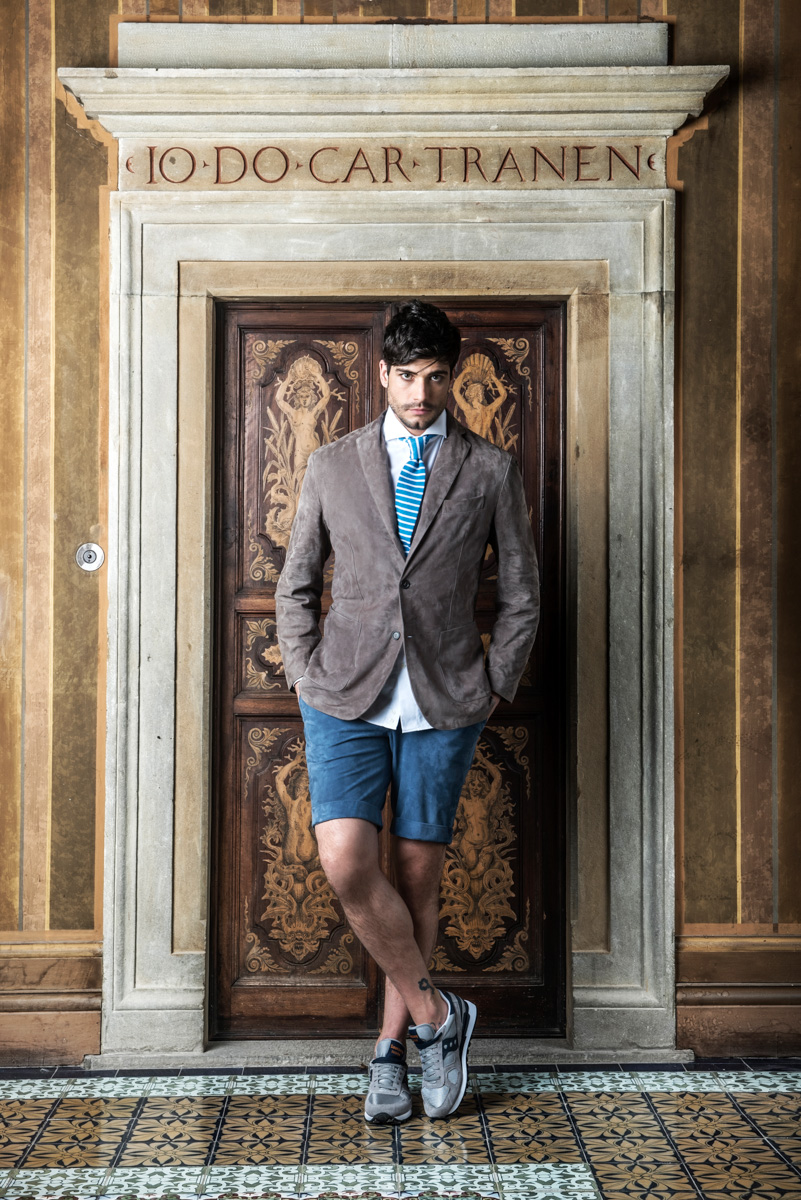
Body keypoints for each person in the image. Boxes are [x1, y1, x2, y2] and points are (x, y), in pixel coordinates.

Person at [275, 300, 539, 1124]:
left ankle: (390, 1055)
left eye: (435, 378)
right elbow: (295, 582)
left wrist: (493, 683)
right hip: (343, 695)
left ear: (450, 378)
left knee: (418, 877)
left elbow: (522, 592)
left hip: (444, 697)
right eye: (406, 377)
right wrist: (304, 672)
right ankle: (438, 1016)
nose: (420, 394)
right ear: (382, 374)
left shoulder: (489, 469)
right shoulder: (331, 465)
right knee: (347, 862)